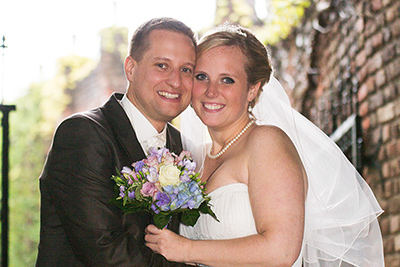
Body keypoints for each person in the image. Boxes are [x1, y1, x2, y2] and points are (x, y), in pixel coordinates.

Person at [144, 24, 385, 266]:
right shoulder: (192, 159)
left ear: (252, 89)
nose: (211, 91)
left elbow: (281, 251)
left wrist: (185, 249)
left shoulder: (266, 142)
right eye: (202, 77)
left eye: (227, 80)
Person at [36, 17, 196, 266]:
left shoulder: (185, 149)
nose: (176, 81)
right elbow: (106, 252)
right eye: (162, 65)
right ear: (130, 68)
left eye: (186, 69)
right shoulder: (83, 135)